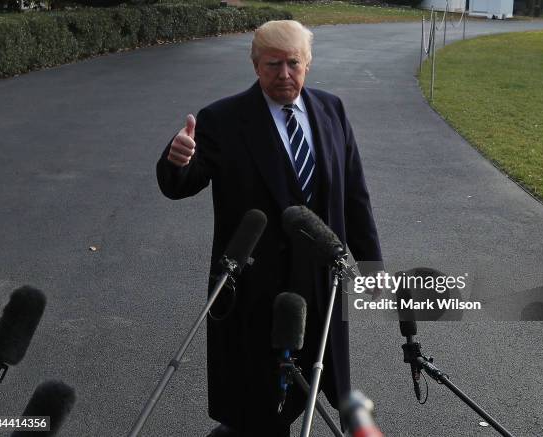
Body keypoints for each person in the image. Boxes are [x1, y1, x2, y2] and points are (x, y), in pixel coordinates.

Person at [156, 20, 383, 437]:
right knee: (254, 404)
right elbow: (182, 184)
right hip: (255, 290)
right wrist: (177, 160)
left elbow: (354, 196)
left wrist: (372, 266)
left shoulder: (332, 110)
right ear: (255, 65)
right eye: (272, 64)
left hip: (320, 287)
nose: (283, 74)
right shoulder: (223, 120)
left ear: (308, 64)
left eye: (293, 63)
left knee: (312, 387)